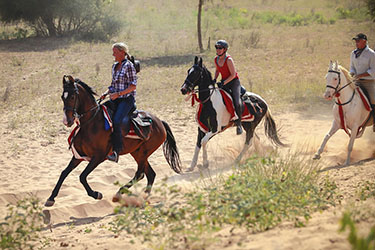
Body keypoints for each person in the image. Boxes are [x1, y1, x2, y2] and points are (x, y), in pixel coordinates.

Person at [100, 42, 137, 163]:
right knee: (100, 113)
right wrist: (105, 93)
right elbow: (113, 85)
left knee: (116, 120)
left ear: (122, 52)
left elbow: (133, 86)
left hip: (126, 99)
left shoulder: (129, 66)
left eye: (115, 52)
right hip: (115, 98)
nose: (113, 54)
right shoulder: (114, 66)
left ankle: (116, 151)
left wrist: (118, 94)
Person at [213, 39, 243, 135]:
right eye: (217, 48)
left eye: (220, 48)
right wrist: (214, 79)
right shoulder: (216, 59)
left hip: (234, 82)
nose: (218, 50)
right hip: (224, 82)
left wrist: (224, 82)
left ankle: (239, 124)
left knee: (237, 102)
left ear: (225, 49)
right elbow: (217, 70)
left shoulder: (228, 60)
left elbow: (233, 74)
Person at [349, 33, 375, 130]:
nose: (356, 43)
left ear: (364, 41)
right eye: (355, 41)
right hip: (356, 81)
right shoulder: (353, 53)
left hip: (368, 83)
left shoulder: (372, 54)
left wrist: (361, 75)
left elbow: (373, 70)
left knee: (373, 100)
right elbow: (351, 66)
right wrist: (351, 73)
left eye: (358, 41)